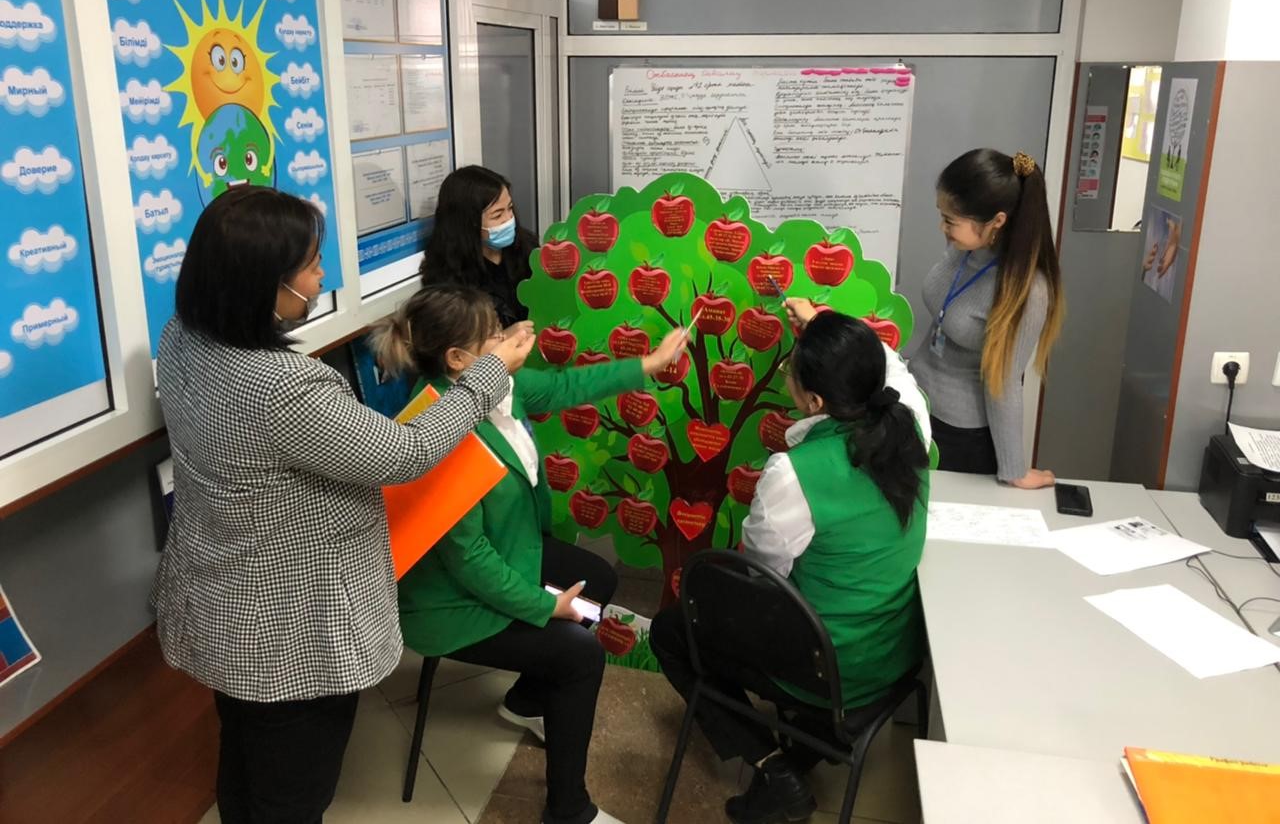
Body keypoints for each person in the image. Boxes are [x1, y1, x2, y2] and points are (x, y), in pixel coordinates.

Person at [151, 189, 535, 824]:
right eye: (309, 265)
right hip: (287, 627)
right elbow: (407, 453)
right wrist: (487, 376)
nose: (321, 276)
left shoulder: (185, 338)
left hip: (222, 602)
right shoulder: (282, 387)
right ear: (263, 283)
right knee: (292, 792)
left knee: (244, 755)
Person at [373, 285, 690, 824]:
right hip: (451, 601)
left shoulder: (501, 385)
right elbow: (469, 560)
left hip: (508, 551)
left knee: (596, 580)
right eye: (494, 336)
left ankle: (526, 699)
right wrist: (546, 607)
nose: (510, 339)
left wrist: (651, 363)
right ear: (459, 360)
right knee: (580, 656)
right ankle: (568, 810)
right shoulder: (440, 430)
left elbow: (569, 385)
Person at [650, 306, 931, 824]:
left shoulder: (793, 472)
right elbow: (895, 371)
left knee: (671, 632)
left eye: (790, 370)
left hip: (831, 668)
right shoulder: (909, 425)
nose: (785, 376)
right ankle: (812, 742)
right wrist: (828, 323)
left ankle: (773, 767)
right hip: (896, 650)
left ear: (814, 401)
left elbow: (761, 579)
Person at [908, 148, 1064, 487]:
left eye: (951, 221)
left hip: (959, 436)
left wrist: (1014, 470)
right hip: (915, 406)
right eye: (942, 216)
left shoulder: (1027, 291)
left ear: (997, 222)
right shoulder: (965, 250)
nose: (942, 228)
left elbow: (1004, 382)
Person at [419, 165, 539, 327]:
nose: (509, 219)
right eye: (497, 215)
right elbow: (463, 338)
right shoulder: (447, 281)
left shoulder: (527, 247)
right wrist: (504, 337)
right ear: (469, 223)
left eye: (510, 208)